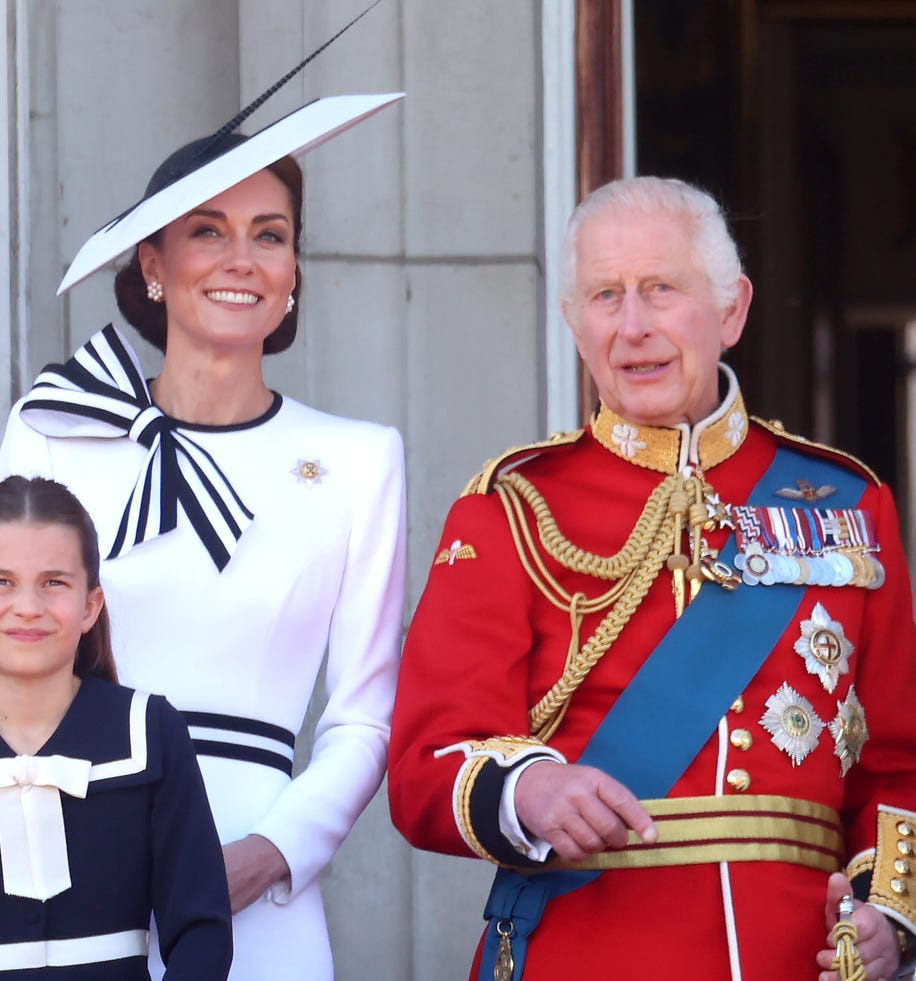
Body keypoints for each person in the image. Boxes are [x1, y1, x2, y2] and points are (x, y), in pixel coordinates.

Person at [387, 177, 916, 981]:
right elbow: (426, 758)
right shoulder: (514, 507)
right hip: (585, 950)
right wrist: (529, 792)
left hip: (797, 957)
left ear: (732, 310)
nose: (632, 326)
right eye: (605, 295)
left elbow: (897, 765)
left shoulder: (851, 502)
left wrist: (890, 917)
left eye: (660, 290)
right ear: (574, 320)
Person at [0, 95, 406, 980]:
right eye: (208, 231)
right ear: (153, 263)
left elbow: (365, 714)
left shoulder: (359, 460)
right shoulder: (54, 429)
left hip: (256, 886)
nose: (242, 260)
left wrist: (272, 853)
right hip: (56, 852)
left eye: (270, 234)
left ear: (295, 268)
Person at [0, 475, 232, 979]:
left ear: (90, 605)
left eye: (54, 582)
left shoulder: (150, 731)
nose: (28, 607)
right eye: (0, 582)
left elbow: (202, 930)